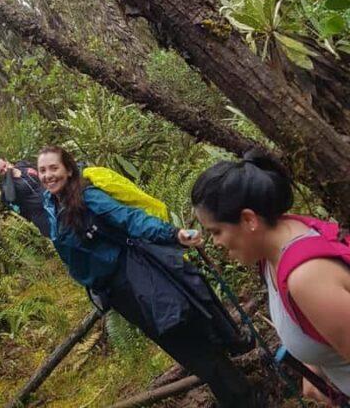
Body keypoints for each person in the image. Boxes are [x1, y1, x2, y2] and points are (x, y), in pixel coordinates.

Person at [37, 145, 256, 407]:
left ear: (69, 169)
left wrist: (173, 234)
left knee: (186, 342)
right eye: (42, 170)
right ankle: (234, 384)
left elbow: (130, 218)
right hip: (120, 292)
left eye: (54, 168)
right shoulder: (53, 203)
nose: (48, 175)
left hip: (138, 280)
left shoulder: (89, 198)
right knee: (184, 344)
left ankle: (242, 398)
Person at [192, 150, 350, 405]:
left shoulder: (307, 277)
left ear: (248, 219)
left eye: (216, 231)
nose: (216, 242)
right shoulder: (274, 252)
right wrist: (314, 367)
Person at [0, 156, 50, 237]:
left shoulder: (22, 165)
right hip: (42, 216)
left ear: (7, 160)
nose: (5, 170)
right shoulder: (7, 186)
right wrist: (9, 172)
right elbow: (10, 198)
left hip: (53, 201)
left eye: (4, 166)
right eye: (2, 171)